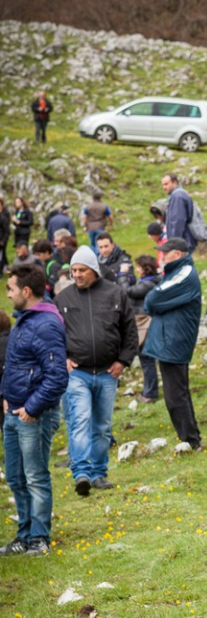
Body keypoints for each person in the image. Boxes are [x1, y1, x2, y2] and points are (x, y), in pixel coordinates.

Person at [55, 245, 138, 494]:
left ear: (93, 270)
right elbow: (52, 333)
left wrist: (123, 361)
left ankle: (99, 473)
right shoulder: (63, 298)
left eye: (81, 270)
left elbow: (130, 330)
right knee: (80, 420)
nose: (76, 275)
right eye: (73, 270)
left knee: (102, 426)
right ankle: (81, 472)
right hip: (77, 373)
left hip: (107, 373)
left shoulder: (115, 294)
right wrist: (62, 358)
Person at [0, 265, 67, 556]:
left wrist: (32, 407)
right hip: (12, 412)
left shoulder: (45, 324)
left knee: (35, 477)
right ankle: (24, 536)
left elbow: (57, 376)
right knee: (15, 477)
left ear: (26, 291)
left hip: (33, 416)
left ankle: (39, 538)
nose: (8, 294)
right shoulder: (23, 320)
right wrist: (5, 397)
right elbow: (15, 366)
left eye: (11, 289)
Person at [144, 238, 203, 449]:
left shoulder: (185, 272)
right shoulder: (176, 271)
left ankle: (191, 440)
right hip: (169, 339)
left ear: (177, 254)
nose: (162, 256)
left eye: (165, 252)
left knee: (176, 395)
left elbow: (152, 300)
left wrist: (158, 306)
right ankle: (190, 438)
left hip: (174, 341)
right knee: (176, 393)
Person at [123, 255, 161, 404]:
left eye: (139, 267)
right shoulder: (151, 282)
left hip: (144, 324)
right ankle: (149, 391)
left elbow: (127, 292)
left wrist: (123, 275)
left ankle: (150, 393)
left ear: (146, 268)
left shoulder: (148, 284)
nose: (137, 269)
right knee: (147, 359)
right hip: (147, 323)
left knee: (146, 359)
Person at [161, 173, 195, 249]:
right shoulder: (178, 195)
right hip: (184, 241)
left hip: (182, 244)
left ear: (175, 182)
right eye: (163, 185)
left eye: (166, 184)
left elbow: (178, 220)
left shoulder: (178, 197)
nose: (164, 187)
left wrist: (174, 244)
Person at [0, 196, 10, 273]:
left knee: (1, 255)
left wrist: (3, 241)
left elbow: (7, 231)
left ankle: (1, 271)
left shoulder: (4, 217)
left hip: (1, 240)